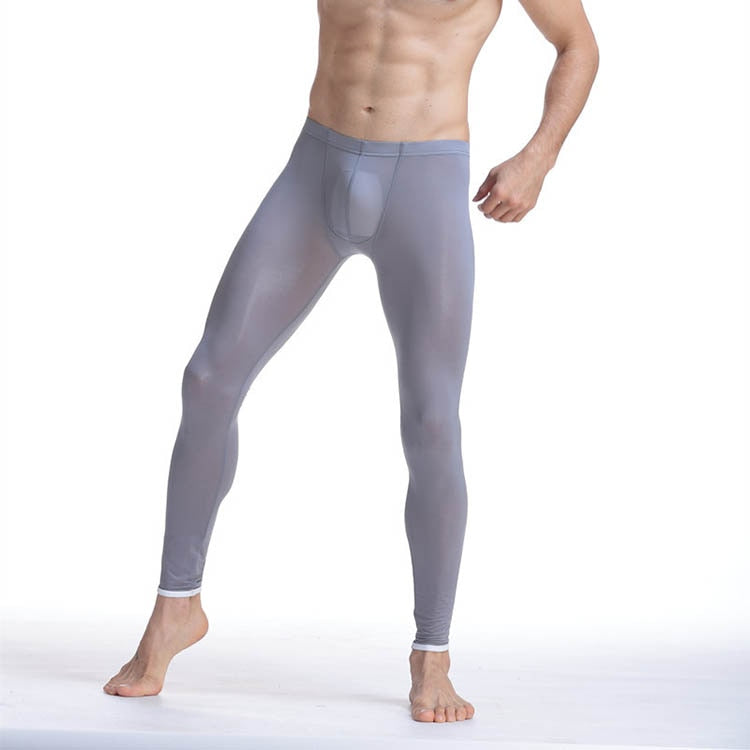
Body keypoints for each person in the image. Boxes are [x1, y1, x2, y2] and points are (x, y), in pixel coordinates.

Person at [103, 0, 599, 723]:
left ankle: (432, 654)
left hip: (426, 179)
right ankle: (176, 607)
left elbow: (577, 44)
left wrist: (539, 157)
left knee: (432, 421)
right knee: (208, 379)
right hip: (316, 168)